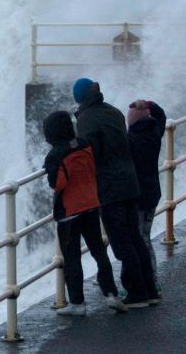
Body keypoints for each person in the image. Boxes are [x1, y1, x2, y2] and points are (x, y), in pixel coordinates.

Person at [72, 77, 158, 308]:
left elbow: (91, 155)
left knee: (122, 243)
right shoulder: (114, 112)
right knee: (135, 238)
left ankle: (137, 294)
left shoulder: (87, 121)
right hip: (130, 182)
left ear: (79, 98)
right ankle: (149, 290)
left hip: (110, 187)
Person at [42, 111, 125, 316]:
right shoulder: (85, 144)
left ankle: (77, 303)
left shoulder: (55, 155)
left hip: (69, 212)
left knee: (72, 258)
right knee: (98, 250)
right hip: (90, 205)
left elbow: (57, 183)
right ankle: (111, 293)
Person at [127, 99, 167, 293]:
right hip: (152, 194)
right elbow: (161, 116)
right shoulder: (154, 133)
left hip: (136, 197)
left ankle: (143, 284)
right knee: (145, 237)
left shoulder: (130, 140)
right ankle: (152, 281)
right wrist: (150, 104)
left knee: (137, 241)